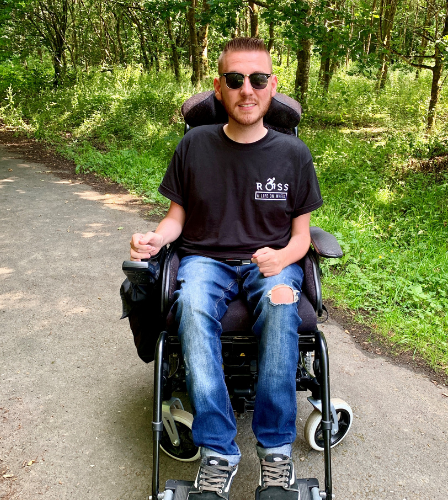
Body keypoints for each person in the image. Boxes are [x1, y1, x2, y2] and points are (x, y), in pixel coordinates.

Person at [130, 37, 322, 500]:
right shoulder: (194, 146)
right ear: (219, 88)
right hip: (204, 260)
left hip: (271, 262)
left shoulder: (293, 155)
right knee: (191, 302)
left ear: (273, 86)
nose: (247, 90)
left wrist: (281, 259)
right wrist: (154, 239)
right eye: (235, 80)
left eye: (257, 79)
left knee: (280, 304)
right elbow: (176, 219)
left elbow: (302, 238)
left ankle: (276, 451)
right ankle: (218, 450)